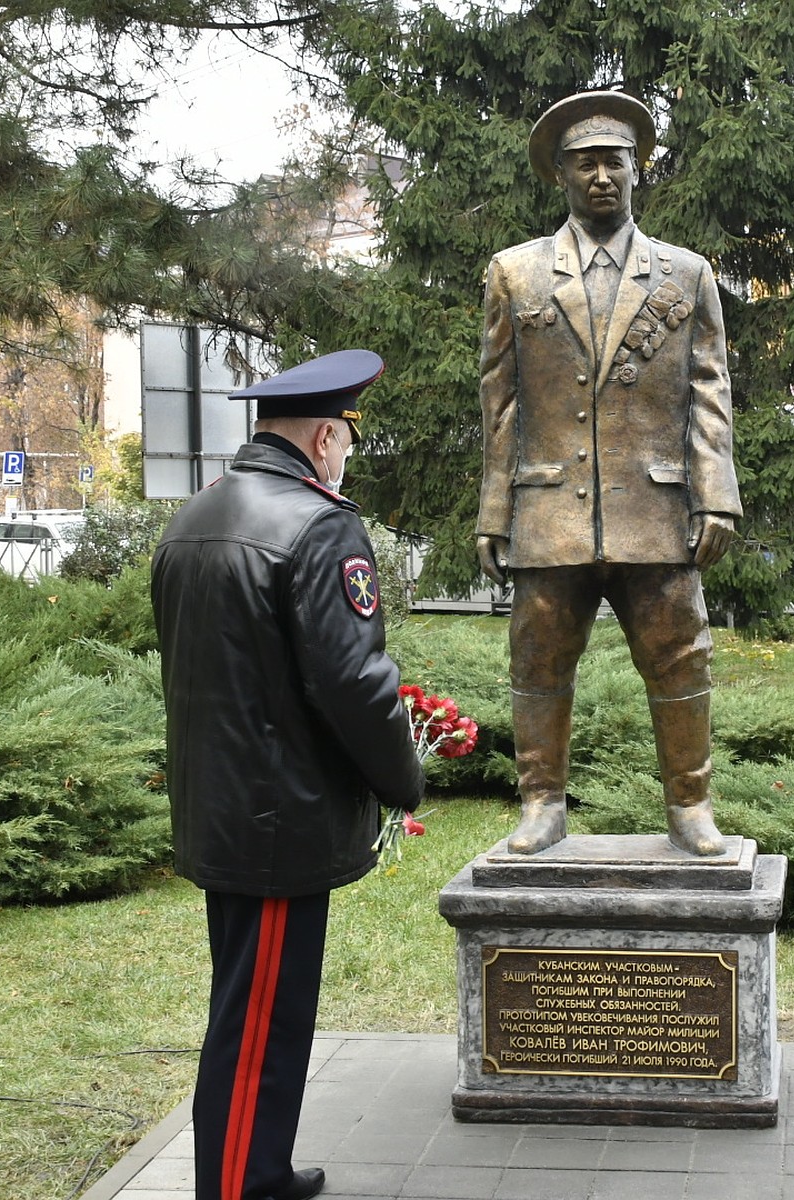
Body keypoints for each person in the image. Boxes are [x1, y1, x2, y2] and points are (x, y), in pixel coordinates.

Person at [151, 349, 425, 1200]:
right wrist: (402, 778)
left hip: (222, 806)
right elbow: (354, 681)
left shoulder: (196, 516)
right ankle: (236, 1189)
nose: (344, 456)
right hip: (278, 820)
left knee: (255, 1011)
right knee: (259, 1024)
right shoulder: (318, 525)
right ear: (323, 435)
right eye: (345, 440)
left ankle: (259, 1168)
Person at [476, 90, 743, 857]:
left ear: (637, 171)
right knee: (537, 654)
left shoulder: (686, 275)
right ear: (559, 174)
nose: (601, 176)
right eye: (585, 163)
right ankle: (541, 803)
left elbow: (709, 391)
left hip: (655, 507)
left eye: (614, 162)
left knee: (680, 654)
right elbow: (499, 399)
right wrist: (495, 510)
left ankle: (691, 806)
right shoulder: (516, 273)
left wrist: (715, 496)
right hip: (549, 503)